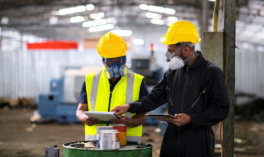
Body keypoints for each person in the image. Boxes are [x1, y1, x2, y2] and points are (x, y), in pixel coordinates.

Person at [111, 21, 230, 156]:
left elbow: (222, 109)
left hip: (198, 141)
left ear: (186, 49)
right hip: (171, 139)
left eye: (171, 51)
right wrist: (129, 107)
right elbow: (154, 98)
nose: (168, 55)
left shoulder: (211, 72)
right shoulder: (172, 73)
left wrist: (192, 119)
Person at [76, 32, 148, 142]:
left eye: (119, 60)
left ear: (125, 59)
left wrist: (130, 122)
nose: (116, 65)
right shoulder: (90, 80)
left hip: (127, 143)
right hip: (95, 143)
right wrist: (84, 118)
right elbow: (80, 110)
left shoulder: (137, 81)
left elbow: (144, 114)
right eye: (110, 61)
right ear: (103, 61)